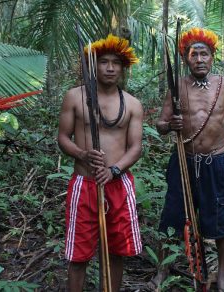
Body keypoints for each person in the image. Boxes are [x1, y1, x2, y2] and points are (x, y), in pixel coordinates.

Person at [152, 27, 224, 292]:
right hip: (184, 160)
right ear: (186, 59)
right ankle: (162, 270)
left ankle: (222, 275)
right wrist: (170, 126)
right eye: (194, 54)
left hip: (216, 162)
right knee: (171, 216)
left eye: (205, 54)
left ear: (213, 57)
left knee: (219, 219)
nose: (200, 59)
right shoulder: (177, 86)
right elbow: (160, 123)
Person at [58, 34, 144, 291]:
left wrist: (114, 170)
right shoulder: (75, 97)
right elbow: (63, 137)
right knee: (78, 254)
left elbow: (136, 147)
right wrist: (82, 154)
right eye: (103, 61)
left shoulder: (132, 104)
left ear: (123, 67)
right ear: (92, 65)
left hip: (118, 185)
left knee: (117, 250)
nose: (109, 67)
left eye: (115, 63)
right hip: (84, 183)